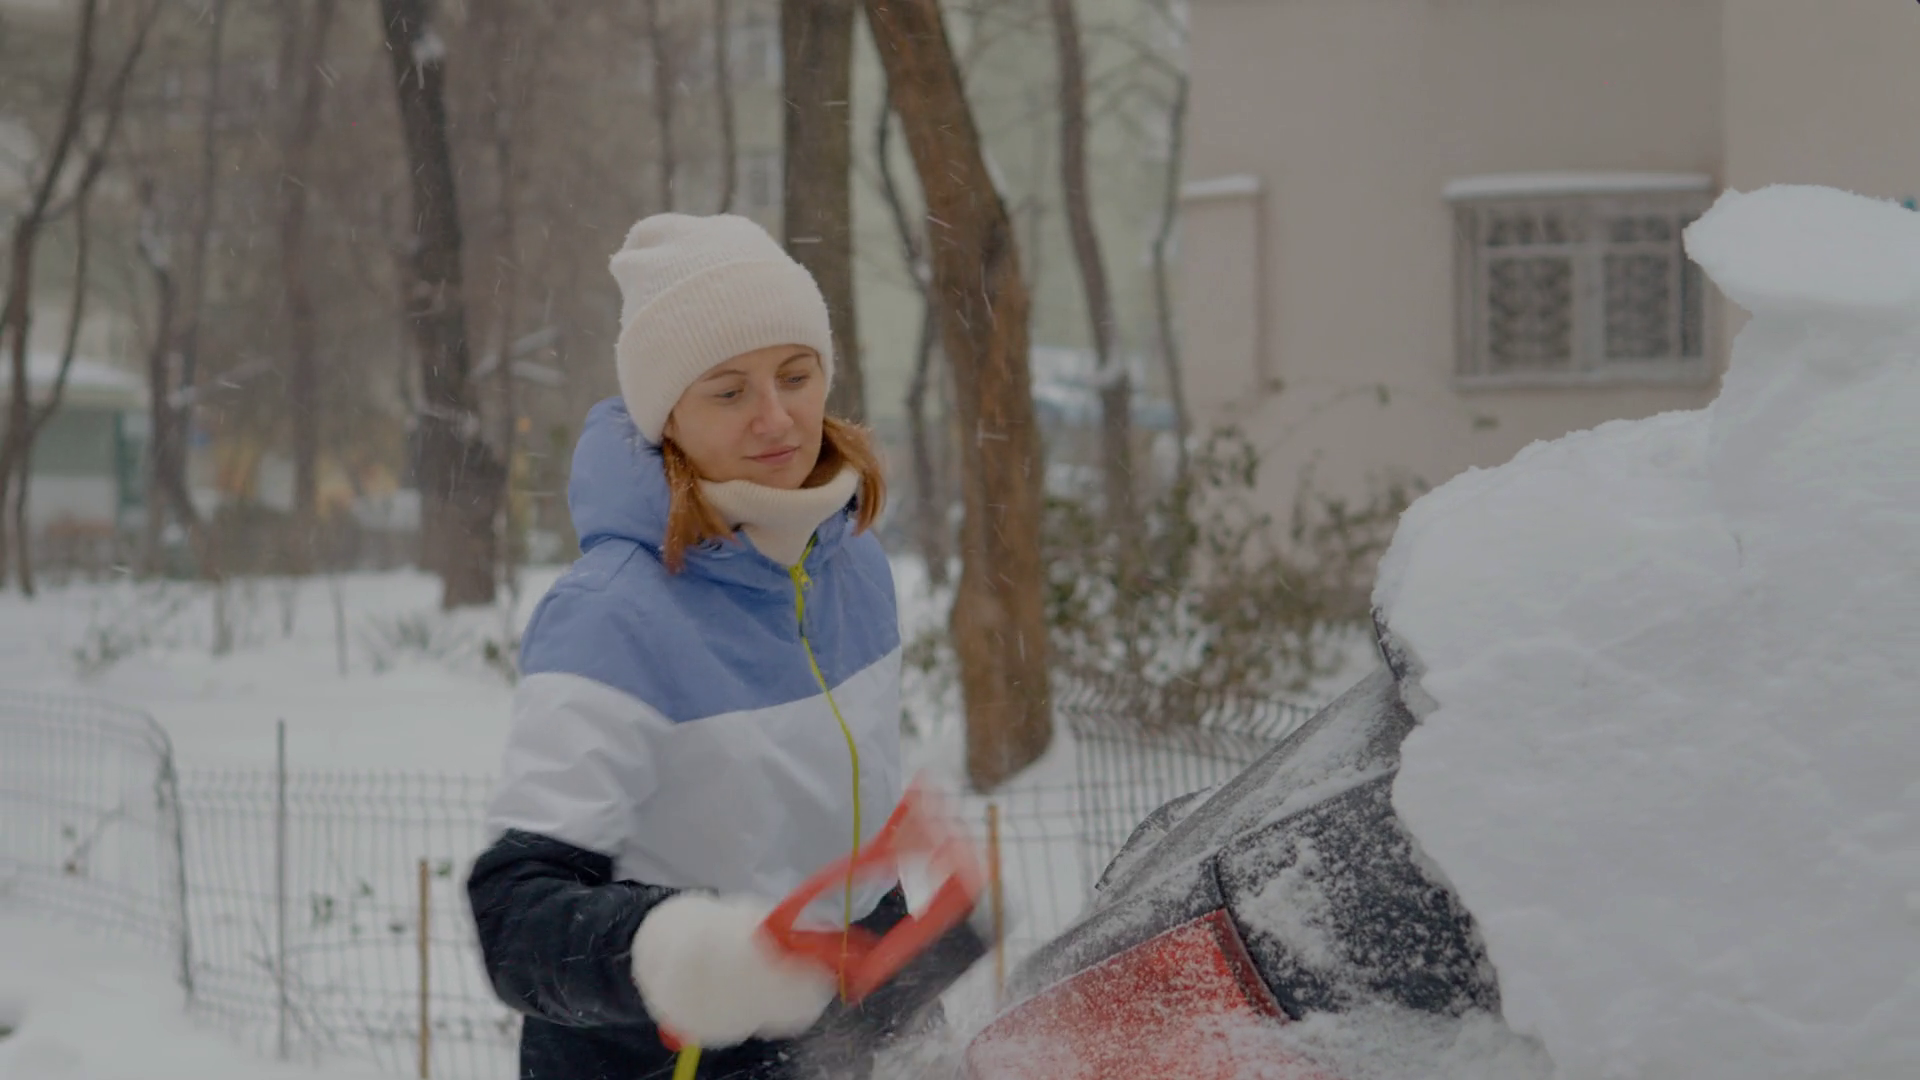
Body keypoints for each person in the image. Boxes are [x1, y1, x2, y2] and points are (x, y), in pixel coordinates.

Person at [468, 213, 907, 1080]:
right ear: (666, 417)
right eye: (728, 391)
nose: (776, 417)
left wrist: (901, 980)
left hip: (832, 1052)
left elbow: (844, 847)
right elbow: (516, 919)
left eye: (796, 375)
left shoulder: (853, 564)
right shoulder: (612, 614)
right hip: (655, 1059)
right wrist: (671, 951)